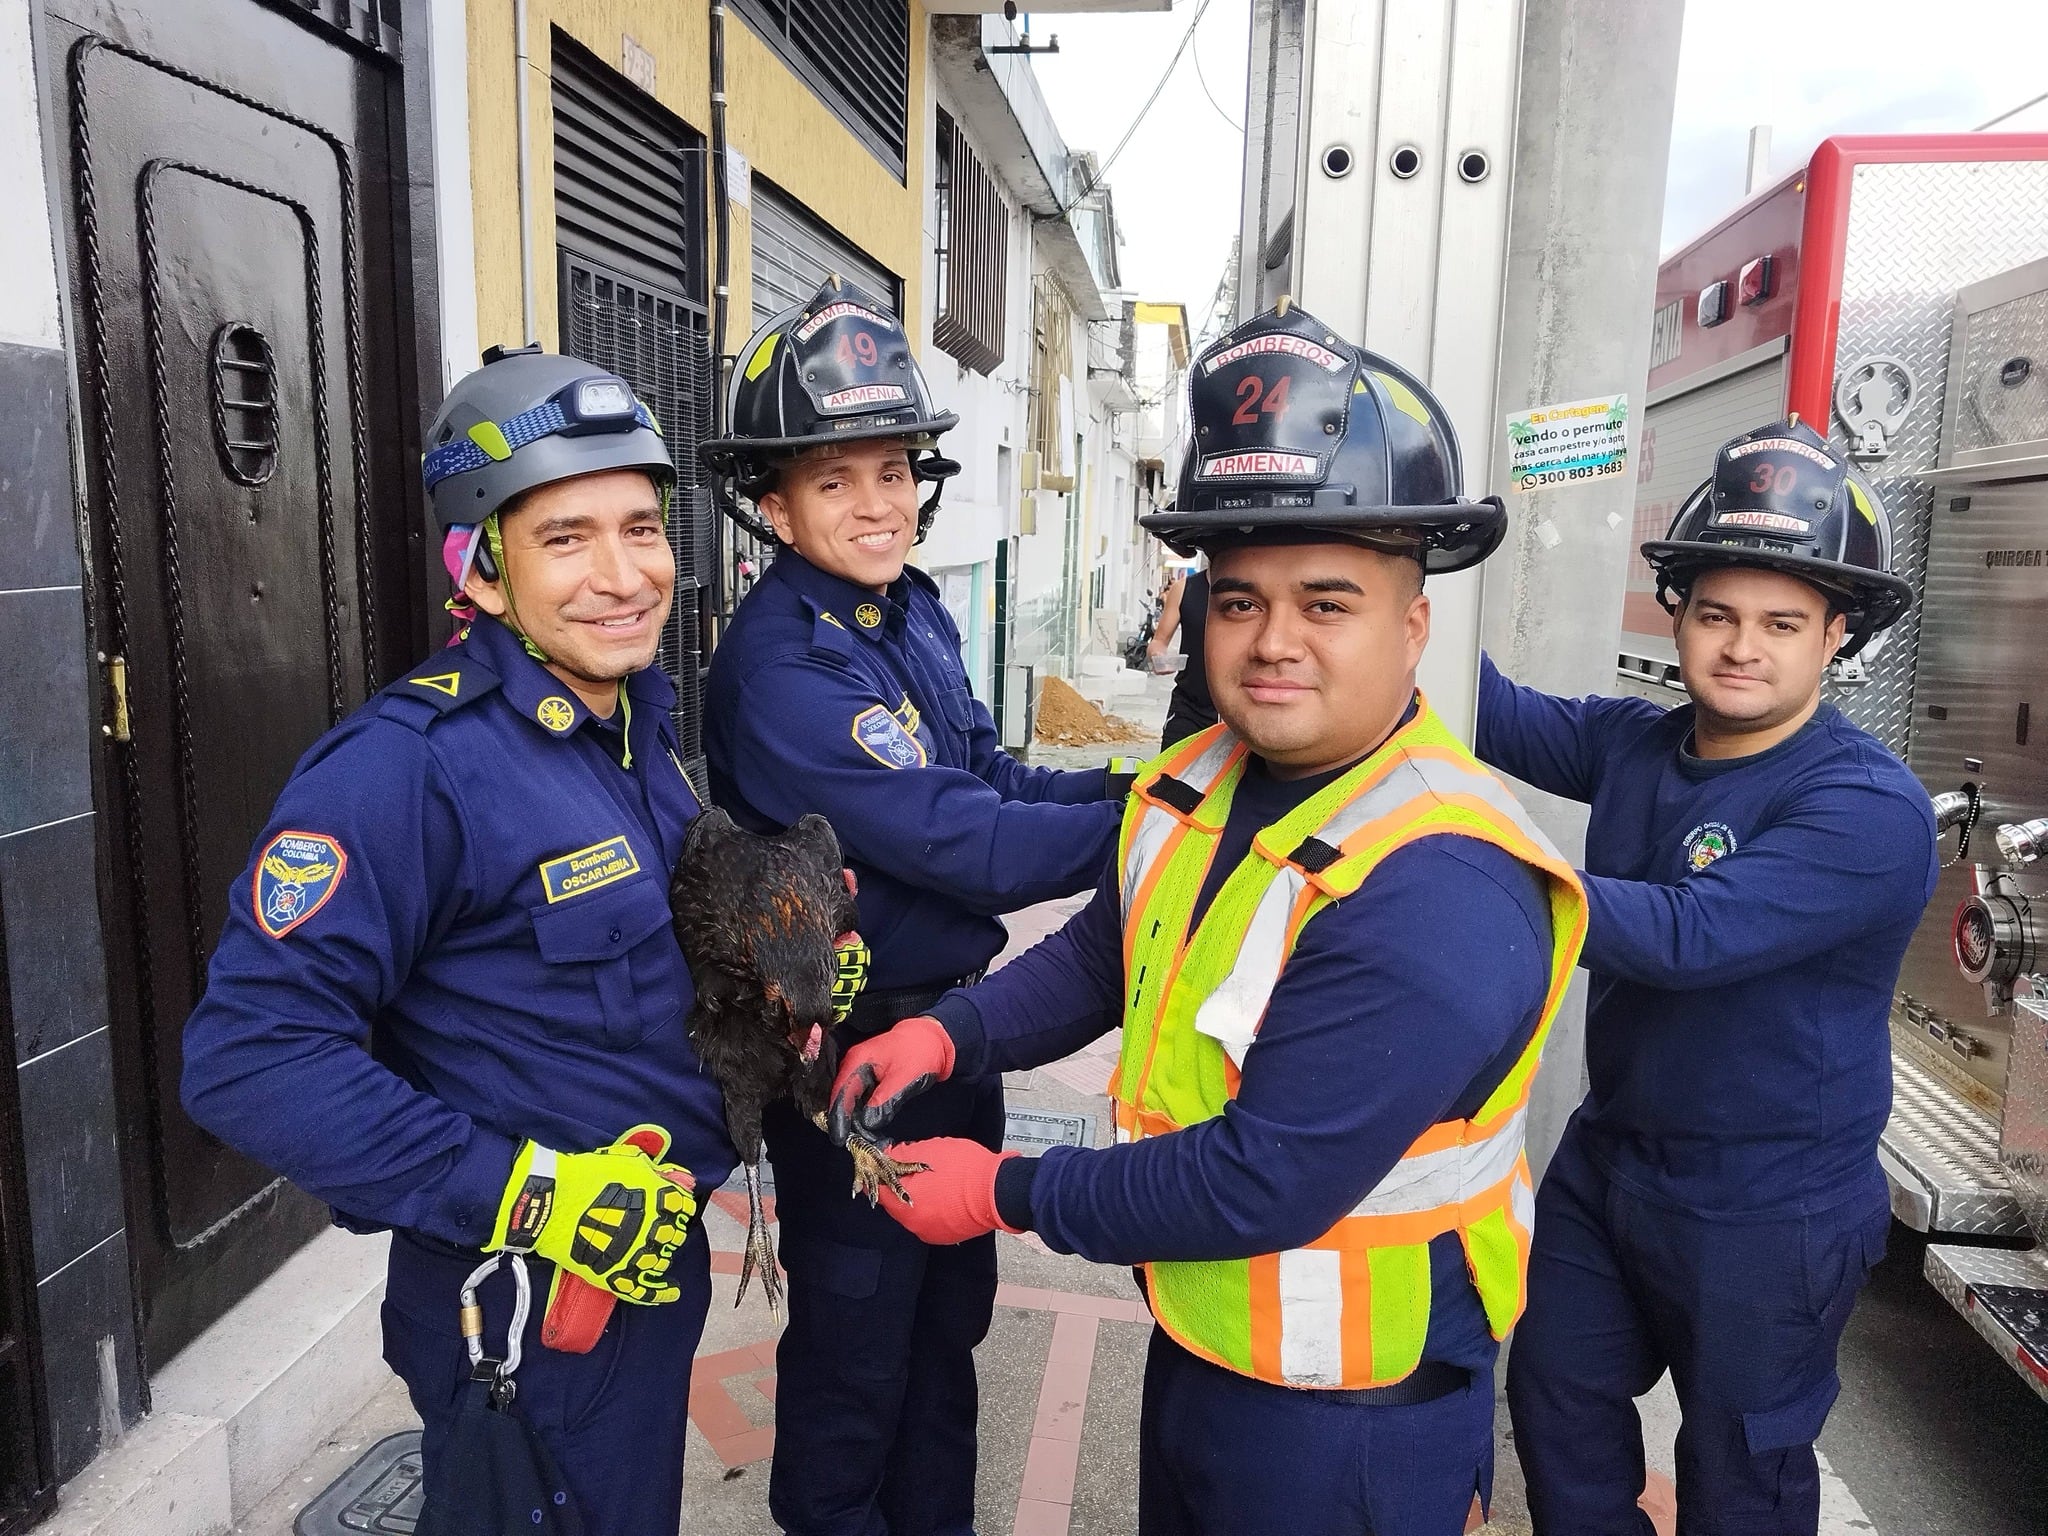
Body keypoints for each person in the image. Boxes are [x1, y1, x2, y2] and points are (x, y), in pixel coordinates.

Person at [829, 302, 1590, 1536]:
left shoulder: (1436, 875)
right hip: (1207, 1341)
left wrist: (1004, 1191)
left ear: (1412, 625)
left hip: (1352, 1419)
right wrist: (951, 1037)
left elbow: (1264, 1178)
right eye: (1238, 603)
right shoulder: (1204, 775)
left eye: (1325, 604)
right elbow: (1108, 949)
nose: (1272, 643)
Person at [183, 346, 736, 1535]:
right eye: (564, 538)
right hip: (530, 1295)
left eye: (640, 527)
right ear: (478, 574)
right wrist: (535, 1199)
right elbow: (249, 1056)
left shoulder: (627, 727)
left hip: (644, 1265)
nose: (623, 574)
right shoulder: (405, 768)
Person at [699, 277, 1129, 1536]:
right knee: (859, 1342)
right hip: (849, 1055)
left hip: (950, 1035)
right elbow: (962, 841)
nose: (874, 505)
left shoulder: (910, 613)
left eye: (890, 473)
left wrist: (1135, 782)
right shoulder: (782, 665)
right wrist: (1163, 830)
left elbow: (982, 774)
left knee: (949, 1319)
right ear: (773, 505)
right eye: (834, 483)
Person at [1476, 417, 1937, 1534]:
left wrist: (1470, 879)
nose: (1742, 646)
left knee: (1738, 1473)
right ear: (1675, 615)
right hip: (1613, 1160)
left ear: (1834, 636)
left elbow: (1690, 936)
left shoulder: (1866, 807)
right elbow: (1473, 705)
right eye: (1717, 615)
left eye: (1782, 623)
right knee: (1553, 1393)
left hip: (1770, 1204)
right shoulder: (1635, 742)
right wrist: (1335, 584)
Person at [1147, 562, 1218, 750]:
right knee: (1169, 775)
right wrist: (1157, 656)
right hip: (1189, 708)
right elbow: (1159, 641)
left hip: (1239, 711)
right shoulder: (1184, 588)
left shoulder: (1253, 590)